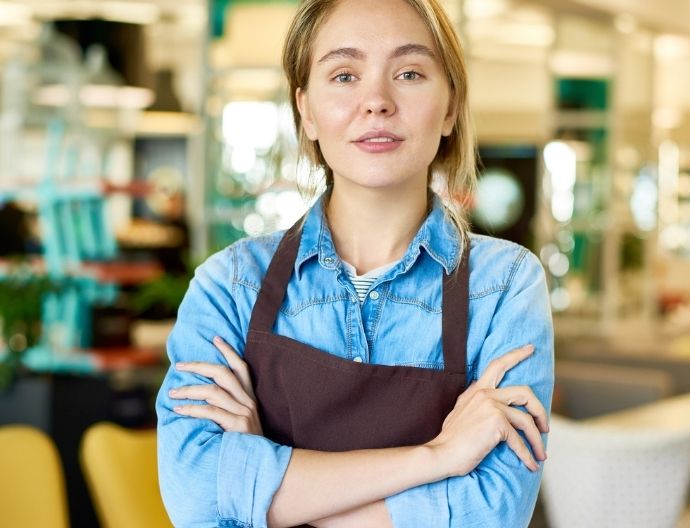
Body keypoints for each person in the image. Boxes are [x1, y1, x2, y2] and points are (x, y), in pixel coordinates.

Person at [156, 0, 554, 526]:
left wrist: (271, 492)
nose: (376, 102)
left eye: (410, 73)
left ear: (451, 107)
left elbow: (491, 512)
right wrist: (435, 458)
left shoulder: (504, 284)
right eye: (344, 75)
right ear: (308, 111)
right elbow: (197, 495)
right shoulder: (229, 285)